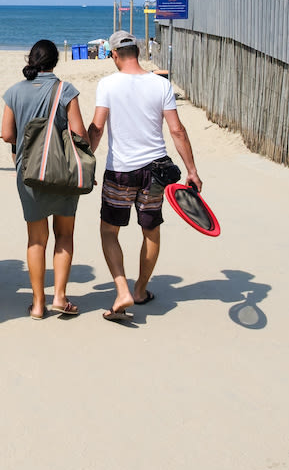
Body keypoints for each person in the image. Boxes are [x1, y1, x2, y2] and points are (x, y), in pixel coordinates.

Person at [86, 31, 202, 321]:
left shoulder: (108, 85)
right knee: (151, 231)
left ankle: (122, 289)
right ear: (137, 51)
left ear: (114, 55)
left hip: (120, 172)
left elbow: (97, 128)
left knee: (109, 231)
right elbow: (177, 130)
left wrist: (85, 161)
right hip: (155, 172)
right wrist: (192, 170)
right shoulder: (160, 84)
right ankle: (140, 290)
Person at [0, 40, 88, 319]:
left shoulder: (13, 92)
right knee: (64, 234)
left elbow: (5, 134)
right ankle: (59, 296)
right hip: (62, 173)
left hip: (28, 173)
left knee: (36, 239)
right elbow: (80, 134)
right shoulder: (65, 90)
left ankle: (38, 304)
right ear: (55, 61)